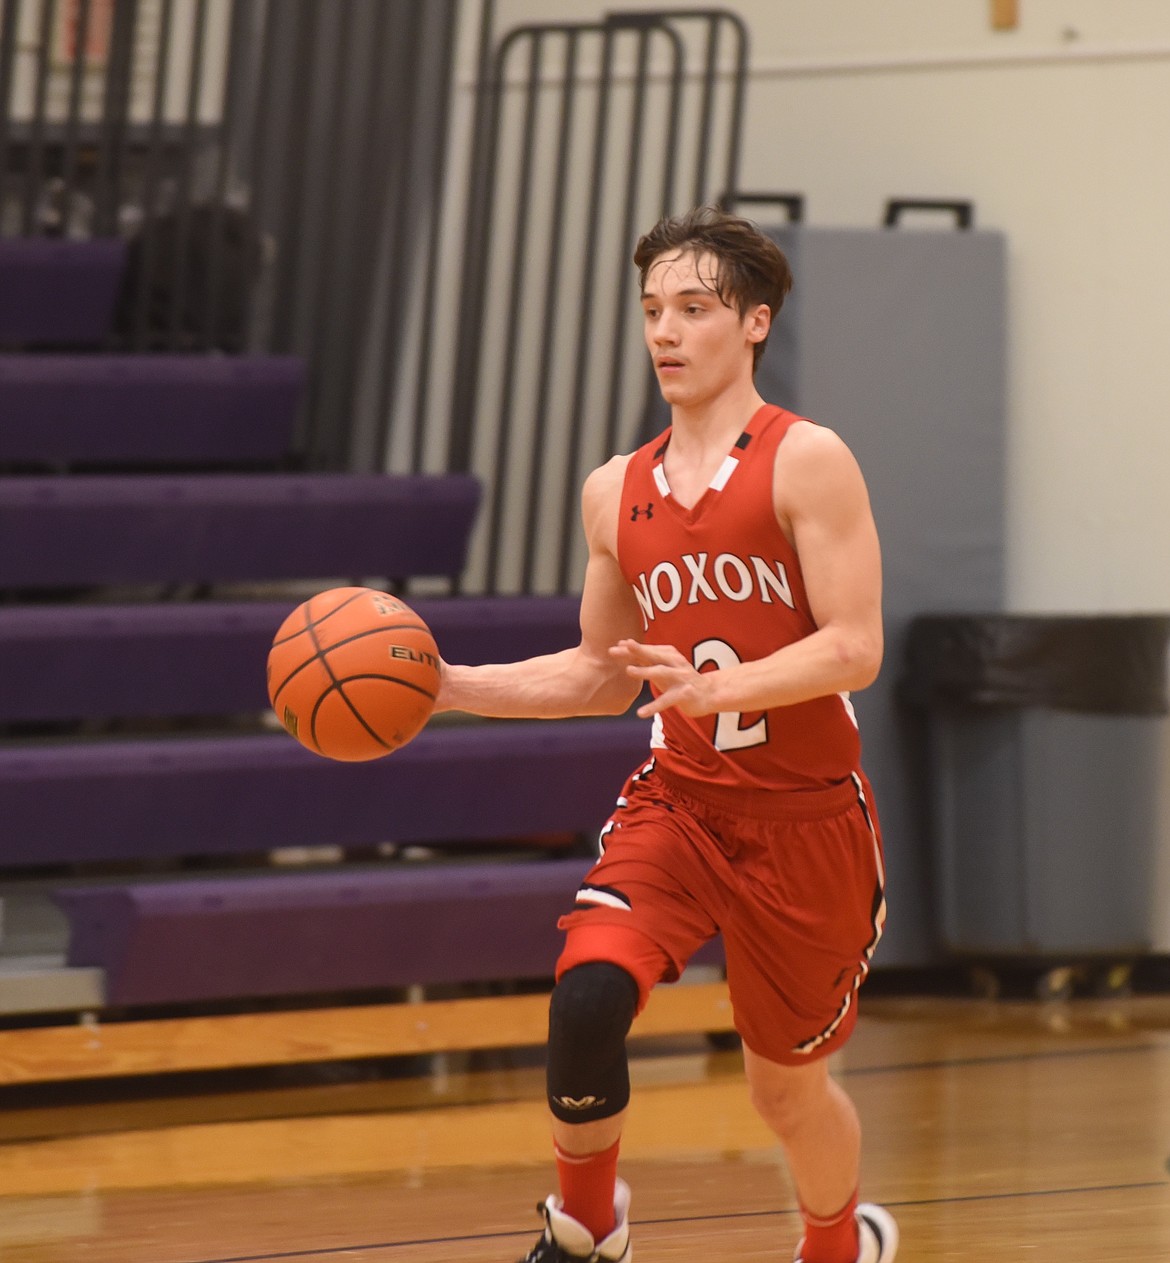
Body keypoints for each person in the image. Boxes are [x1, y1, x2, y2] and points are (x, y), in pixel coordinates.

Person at [435, 205, 896, 1263]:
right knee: (587, 994)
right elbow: (602, 671)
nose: (667, 332)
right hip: (681, 807)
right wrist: (451, 686)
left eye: (694, 308)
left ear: (756, 323)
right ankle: (588, 1231)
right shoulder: (615, 489)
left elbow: (856, 647)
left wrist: (714, 688)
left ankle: (838, 1243)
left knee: (786, 1094)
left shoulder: (808, 460)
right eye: (653, 310)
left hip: (807, 826)